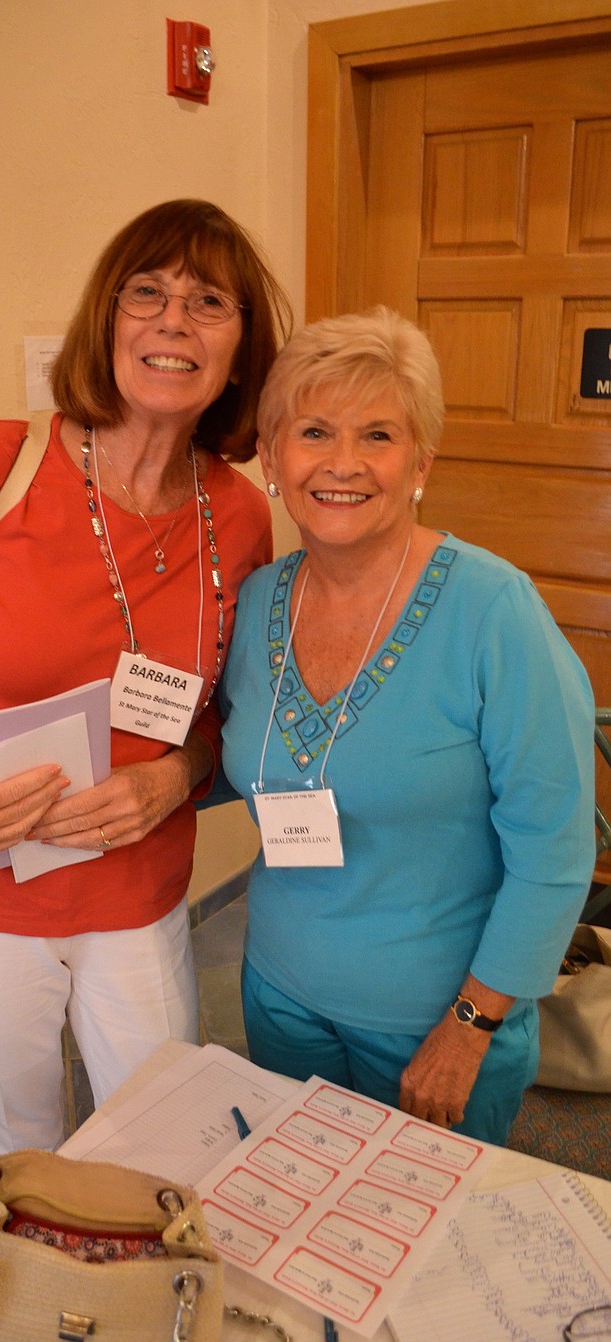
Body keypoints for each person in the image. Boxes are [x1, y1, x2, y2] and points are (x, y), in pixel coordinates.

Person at [0, 199, 292, 1158]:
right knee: (21, 1144)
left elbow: (227, 710)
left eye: (209, 302)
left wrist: (176, 775)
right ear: (107, 320)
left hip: (136, 881)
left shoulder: (240, 514)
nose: (174, 321)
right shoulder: (0, 461)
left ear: (240, 350)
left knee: (168, 1141)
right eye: (147, 293)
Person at [218, 306, 595, 1145]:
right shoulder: (257, 601)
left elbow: (556, 849)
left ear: (420, 461)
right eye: (314, 432)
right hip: (279, 995)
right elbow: (230, 757)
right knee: (301, 1208)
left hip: (439, 1023)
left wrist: (471, 1024)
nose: (343, 463)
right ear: (274, 459)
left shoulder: (495, 612)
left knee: (428, 1226)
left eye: (378, 435)